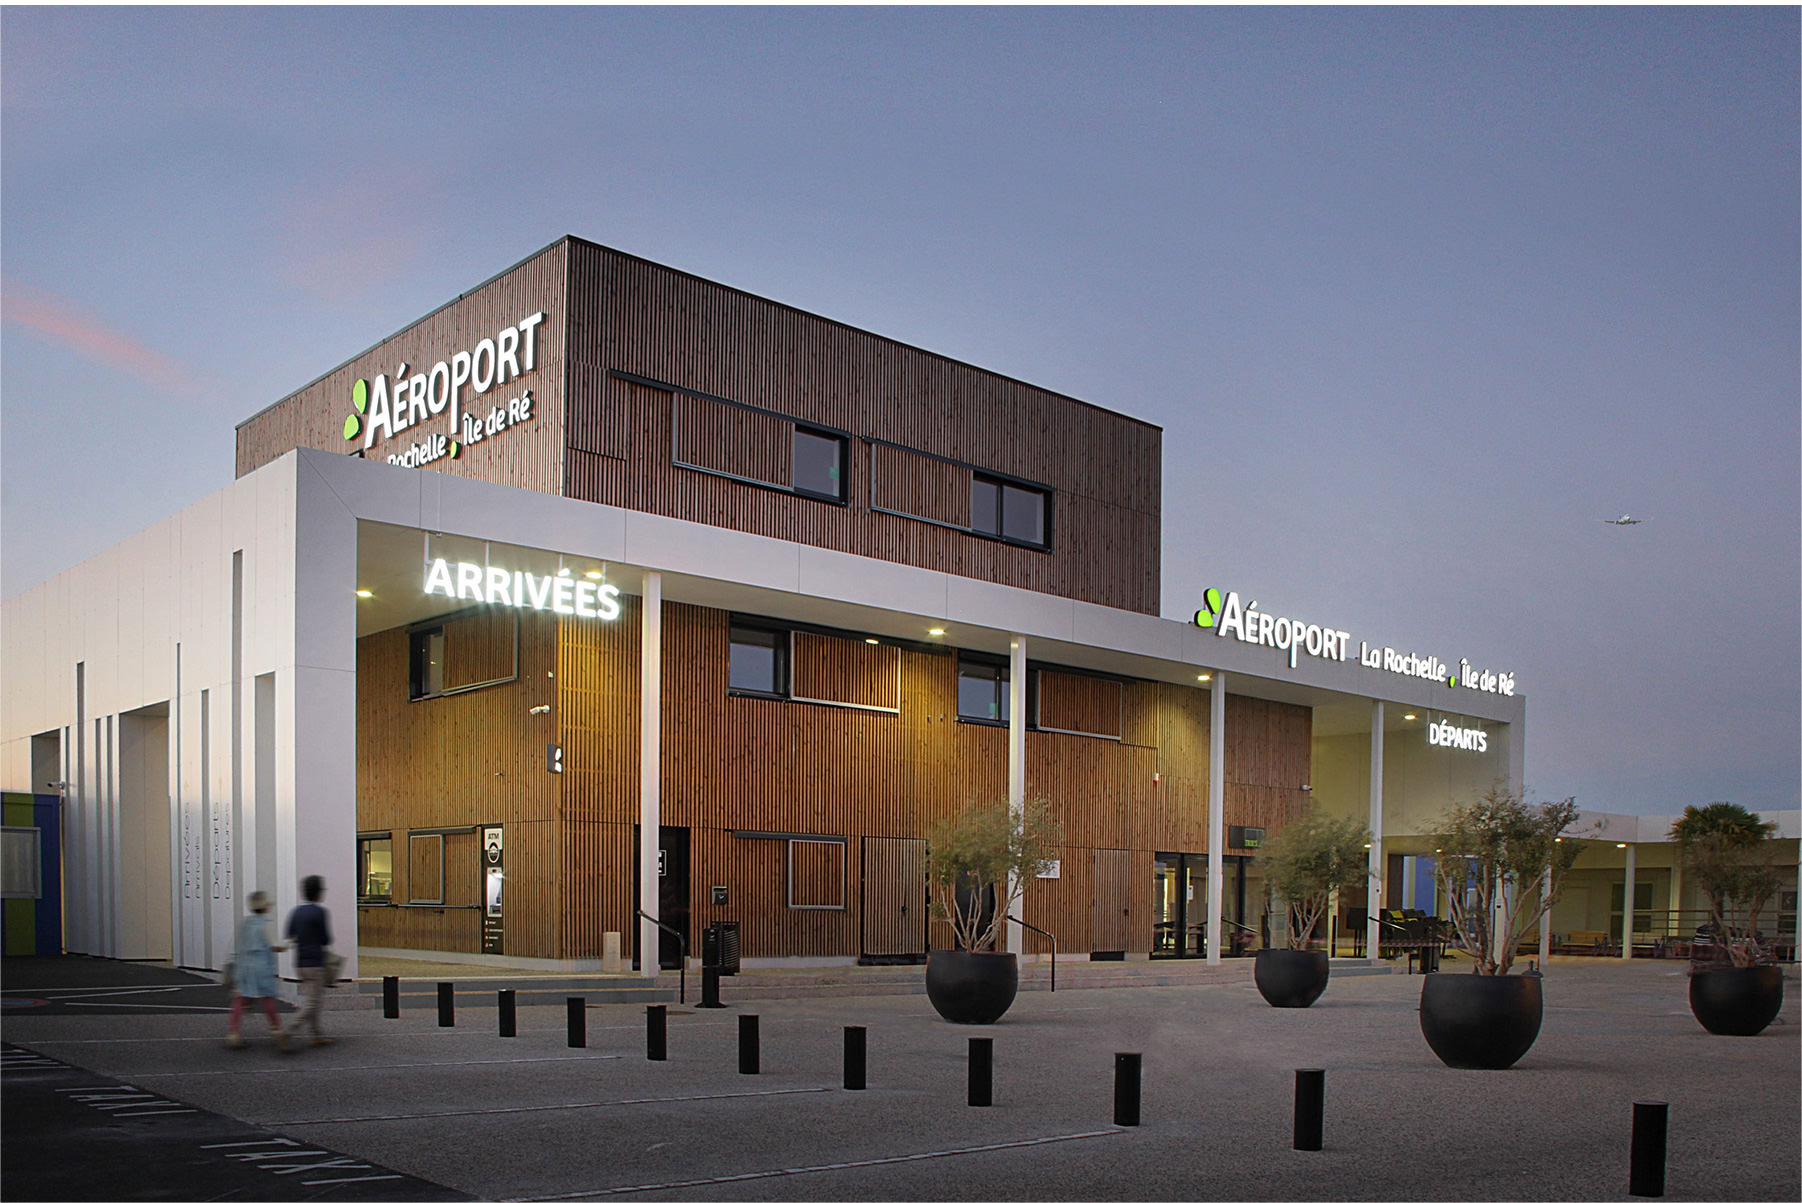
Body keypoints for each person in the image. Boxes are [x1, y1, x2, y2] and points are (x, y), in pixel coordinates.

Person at [227, 892, 288, 1051]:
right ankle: (277, 1030)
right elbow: (274, 946)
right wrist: (289, 944)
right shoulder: (265, 924)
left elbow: (239, 944)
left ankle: (233, 1032)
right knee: (268, 999)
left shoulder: (246, 923)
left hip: (245, 965)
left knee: (241, 999)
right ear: (265, 906)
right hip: (262, 966)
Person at [285, 875, 334, 1047]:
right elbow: (325, 939)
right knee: (314, 1002)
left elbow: (290, 935)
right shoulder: (319, 912)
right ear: (319, 893)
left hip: (300, 961)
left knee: (311, 998)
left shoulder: (296, 912)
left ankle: (316, 1034)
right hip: (315, 960)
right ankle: (288, 1030)